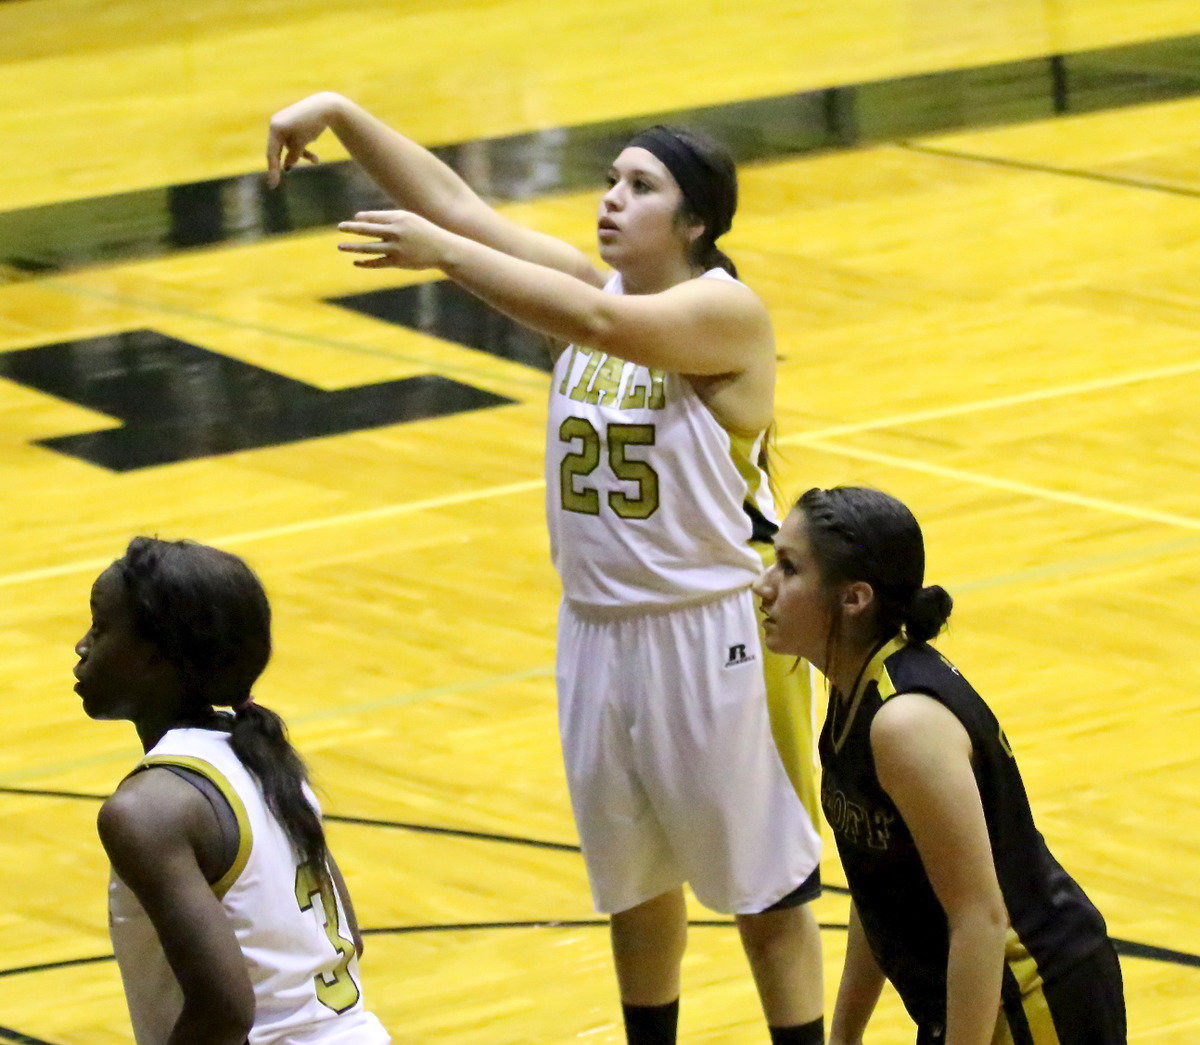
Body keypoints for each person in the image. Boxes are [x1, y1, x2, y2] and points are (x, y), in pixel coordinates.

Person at [266, 93, 825, 1043]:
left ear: (695, 222)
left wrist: (446, 256)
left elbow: (579, 317)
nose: (609, 198)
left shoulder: (726, 312)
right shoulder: (591, 292)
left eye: (640, 187)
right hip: (598, 634)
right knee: (635, 887)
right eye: (610, 179)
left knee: (763, 894)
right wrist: (345, 115)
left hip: (716, 631)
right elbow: (459, 207)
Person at [753, 486, 1127, 1045]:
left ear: (854, 599)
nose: (763, 585)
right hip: (972, 995)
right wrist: (844, 1035)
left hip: (1033, 997)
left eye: (788, 567)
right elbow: (877, 885)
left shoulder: (905, 725)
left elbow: (980, 918)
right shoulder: (851, 690)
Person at [74, 537, 390, 1045]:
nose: (83, 644)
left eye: (102, 627)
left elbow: (223, 1012)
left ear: (156, 656)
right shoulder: (262, 757)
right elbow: (345, 939)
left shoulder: (147, 810)